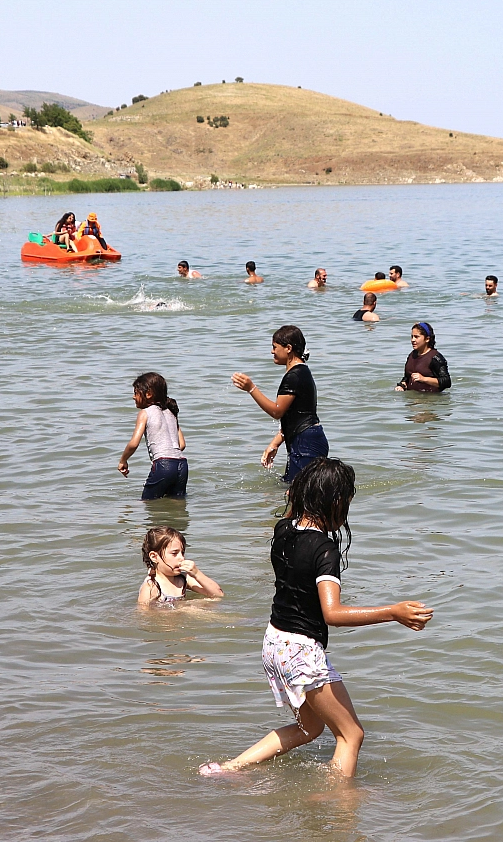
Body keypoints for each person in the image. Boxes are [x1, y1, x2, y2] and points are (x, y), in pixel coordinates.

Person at [198, 458, 432, 778]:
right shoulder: (324, 550)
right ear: (334, 502)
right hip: (299, 651)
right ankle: (336, 801)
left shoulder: (282, 530)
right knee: (351, 735)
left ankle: (229, 769)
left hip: (274, 643)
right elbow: (332, 614)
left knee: (309, 728)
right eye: (346, 503)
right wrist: (393, 612)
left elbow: (292, 508)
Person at [231, 325, 328, 482]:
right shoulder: (301, 371)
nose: (272, 351)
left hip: (306, 443)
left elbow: (277, 412)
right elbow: (297, 415)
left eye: (275, 347)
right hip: (308, 439)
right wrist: (275, 443)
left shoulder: (295, 375)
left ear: (288, 348)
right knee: (292, 490)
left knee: (298, 495)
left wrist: (251, 388)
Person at [117, 372, 188, 499]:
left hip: (163, 465)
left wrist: (123, 460)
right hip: (182, 465)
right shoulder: (171, 412)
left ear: (148, 394)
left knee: (148, 504)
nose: (133, 397)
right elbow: (181, 445)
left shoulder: (145, 413)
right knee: (177, 506)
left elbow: (133, 443)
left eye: (136, 393)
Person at [137, 526, 223, 606]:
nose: (182, 558)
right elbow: (145, 614)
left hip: (182, 619)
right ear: (154, 557)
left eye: (182, 553)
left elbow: (218, 595)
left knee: (213, 601)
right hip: (165, 621)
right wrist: (182, 608)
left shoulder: (183, 579)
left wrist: (197, 574)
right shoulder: (151, 586)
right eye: (174, 553)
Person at [396, 322, 451, 393]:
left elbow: (447, 382)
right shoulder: (412, 355)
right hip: (412, 400)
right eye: (412, 336)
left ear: (427, 339)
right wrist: (402, 386)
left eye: (416, 337)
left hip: (430, 400)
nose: (413, 340)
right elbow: (407, 378)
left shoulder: (435, 357)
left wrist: (424, 379)